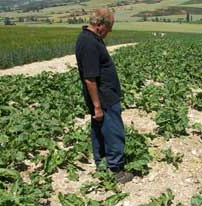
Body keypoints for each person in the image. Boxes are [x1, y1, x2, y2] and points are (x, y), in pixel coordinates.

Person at [75, 8, 133, 183]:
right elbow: (90, 78)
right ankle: (116, 170)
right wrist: (97, 106)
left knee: (100, 131)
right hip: (104, 98)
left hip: (103, 97)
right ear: (100, 26)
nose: (109, 33)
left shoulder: (90, 39)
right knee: (113, 132)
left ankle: (102, 164)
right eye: (109, 29)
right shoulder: (89, 43)